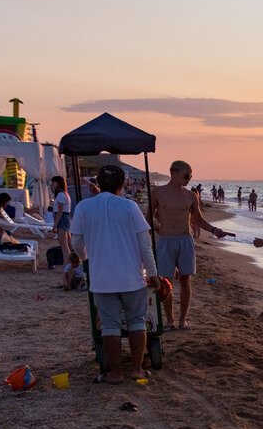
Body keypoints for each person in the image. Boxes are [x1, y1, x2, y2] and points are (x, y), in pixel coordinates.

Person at [70, 165, 160, 384]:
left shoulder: (83, 207)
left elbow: (76, 242)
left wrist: (86, 257)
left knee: (109, 325)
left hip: (101, 279)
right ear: (122, 185)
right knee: (137, 322)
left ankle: (115, 373)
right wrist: (154, 274)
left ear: (98, 183)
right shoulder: (130, 207)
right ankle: (137, 370)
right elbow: (145, 245)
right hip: (132, 277)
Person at [150, 160, 227, 330]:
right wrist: (154, 228)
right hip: (165, 240)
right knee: (165, 282)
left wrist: (214, 230)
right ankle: (170, 320)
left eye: (191, 176)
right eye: (186, 175)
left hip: (185, 240)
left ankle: (182, 319)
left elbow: (198, 219)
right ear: (174, 173)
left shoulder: (191, 196)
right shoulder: (158, 193)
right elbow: (148, 217)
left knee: (186, 280)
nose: (189, 179)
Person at [50, 176, 73, 261]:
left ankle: (67, 263)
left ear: (58, 183)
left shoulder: (60, 195)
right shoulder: (64, 194)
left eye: (53, 182)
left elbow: (60, 211)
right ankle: (74, 261)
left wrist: (54, 225)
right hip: (65, 217)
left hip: (62, 218)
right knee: (69, 243)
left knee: (63, 244)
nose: (51, 184)